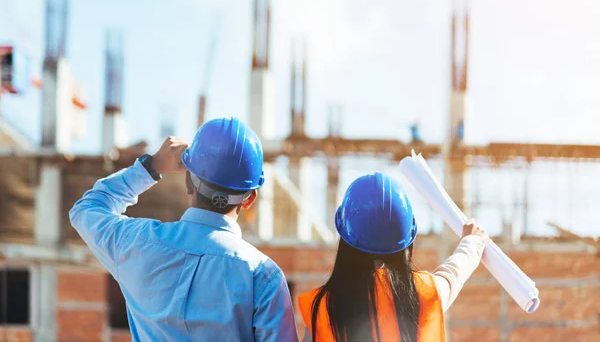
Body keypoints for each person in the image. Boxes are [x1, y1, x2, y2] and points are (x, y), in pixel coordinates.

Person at [70, 117, 298, 341]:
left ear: (188, 182)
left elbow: (87, 209)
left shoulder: (137, 242)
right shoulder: (263, 276)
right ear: (249, 199)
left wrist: (152, 166)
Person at [298, 172, 488, 342]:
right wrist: (471, 242)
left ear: (345, 237)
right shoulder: (424, 293)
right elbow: (453, 274)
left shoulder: (321, 308)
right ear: (406, 240)